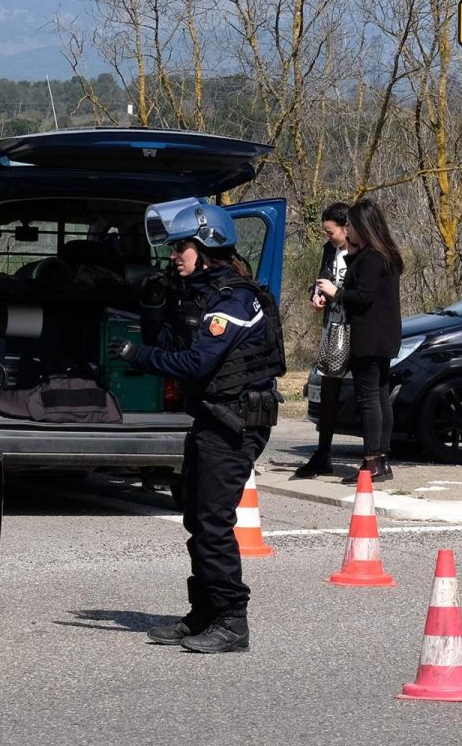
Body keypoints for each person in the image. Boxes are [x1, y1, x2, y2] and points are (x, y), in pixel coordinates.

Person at [107, 198, 284, 654]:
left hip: (236, 420)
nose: (172, 256)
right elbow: (167, 341)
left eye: (179, 247)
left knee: (213, 521)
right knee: (197, 517)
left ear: (206, 245)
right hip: (212, 417)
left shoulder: (235, 299)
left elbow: (196, 361)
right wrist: (152, 309)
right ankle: (205, 611)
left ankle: (232, 621)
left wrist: (137, 358)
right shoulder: (200, 297)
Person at [314, 198, 403, 484]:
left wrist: (335, 292)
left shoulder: (372, 258)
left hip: (368, 336)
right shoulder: (384, 255)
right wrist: (353, 253)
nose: (347, 231)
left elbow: (362, 297)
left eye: (350, 225)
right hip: (385, 335)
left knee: (369, 399)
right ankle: (382, 460)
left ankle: (370, 460)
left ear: (363, 226)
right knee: (380, 395)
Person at [292, 202, 352, 479]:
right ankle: (322, 453)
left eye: (331, 232)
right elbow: (322, 280)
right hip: (333, 327)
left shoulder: (360, 251)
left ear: (346, 227)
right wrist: (316, 293)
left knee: (364, 394)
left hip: (355, 329)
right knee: (327, 390)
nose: (328, 237)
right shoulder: (330, 251)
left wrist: (337, 293)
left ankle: (374, 456)